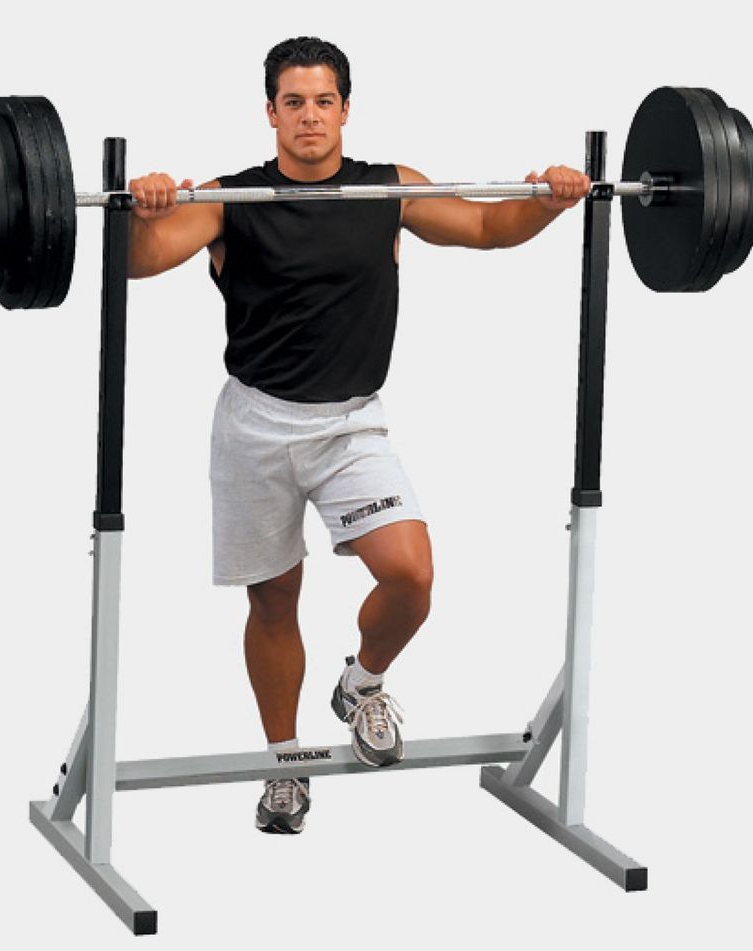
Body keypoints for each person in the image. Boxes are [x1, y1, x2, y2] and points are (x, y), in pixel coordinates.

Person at [127, 36, 589, 835]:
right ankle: (285, 766)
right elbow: (143, 262)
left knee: (411, 574)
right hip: (255, 423)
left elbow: (487, 226)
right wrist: (146, 213)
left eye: (323, 101)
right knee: (275, 600)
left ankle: (363, 683)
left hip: (350, 424)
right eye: (294, 102)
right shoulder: (230, 197)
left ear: (345, 109)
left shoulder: (387, 188)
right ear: (270, 112)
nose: (309, 116)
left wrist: (550, 200)